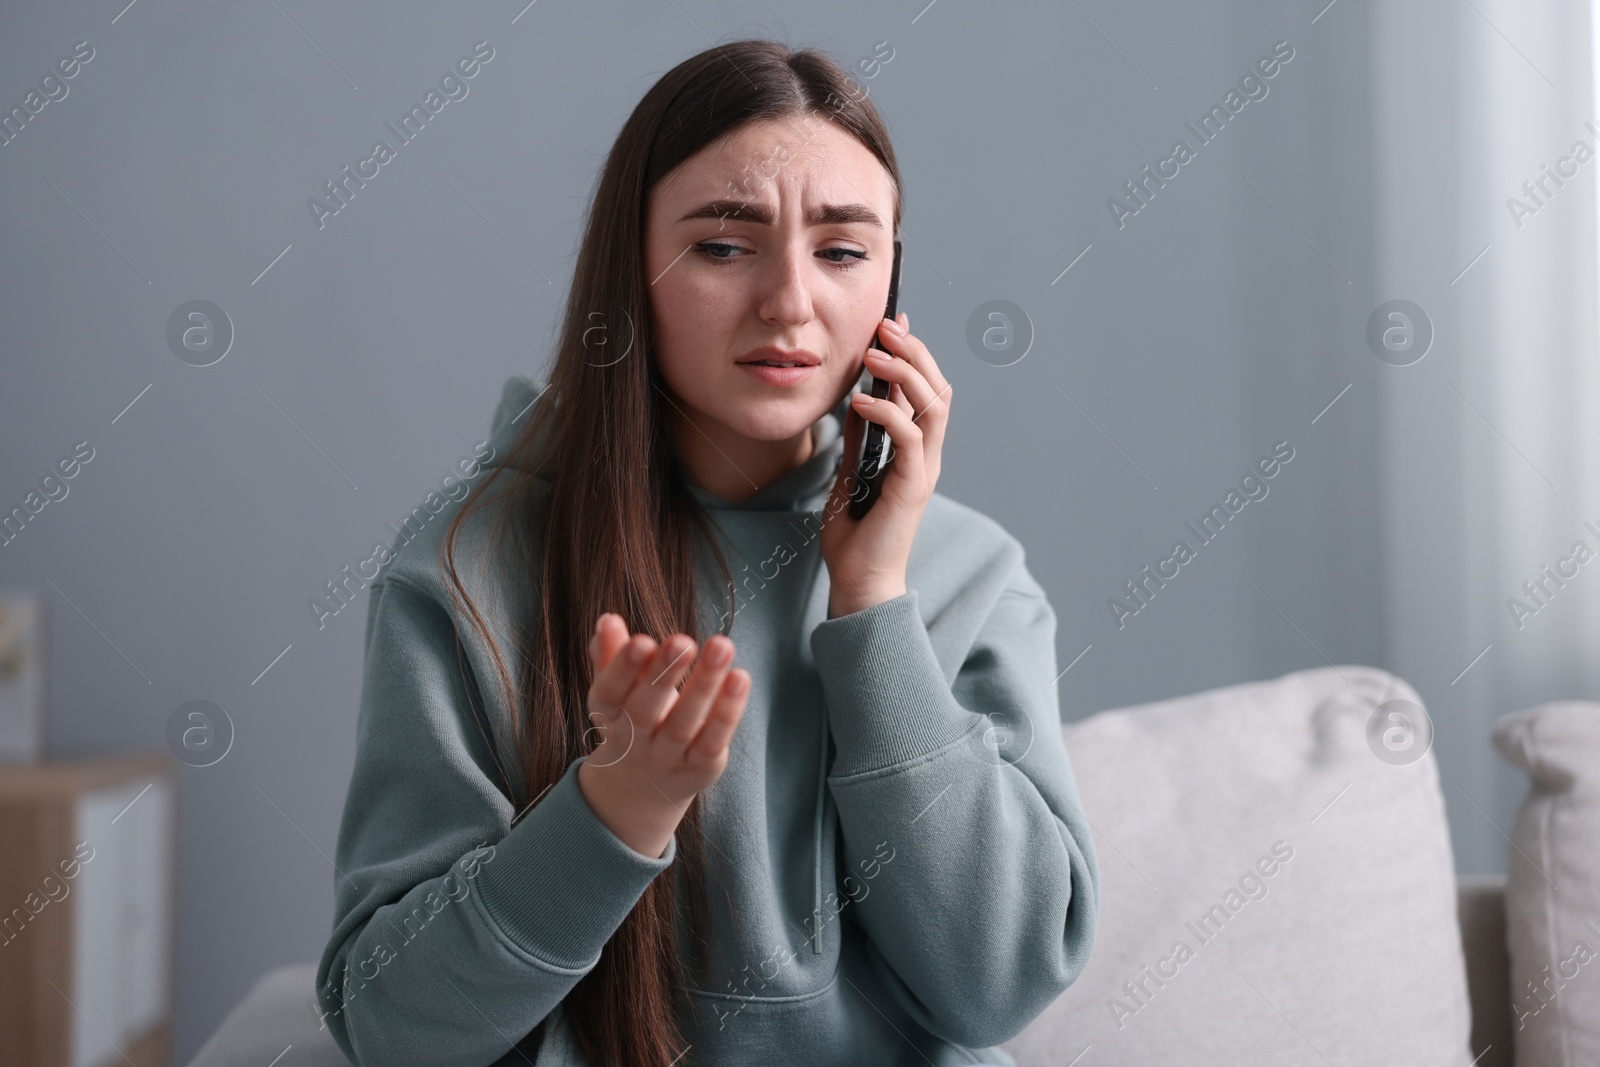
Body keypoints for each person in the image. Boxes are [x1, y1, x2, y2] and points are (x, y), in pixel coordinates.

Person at [314, 37, 1099, 1067]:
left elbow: (998, 983)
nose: (790, 302)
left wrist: (871, 602)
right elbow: (393, 1024)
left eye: (843, 250)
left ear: (892, 288)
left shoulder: (973, 574)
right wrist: (614, 810)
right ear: (628, 269)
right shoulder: (464, 568)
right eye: (723, 246)